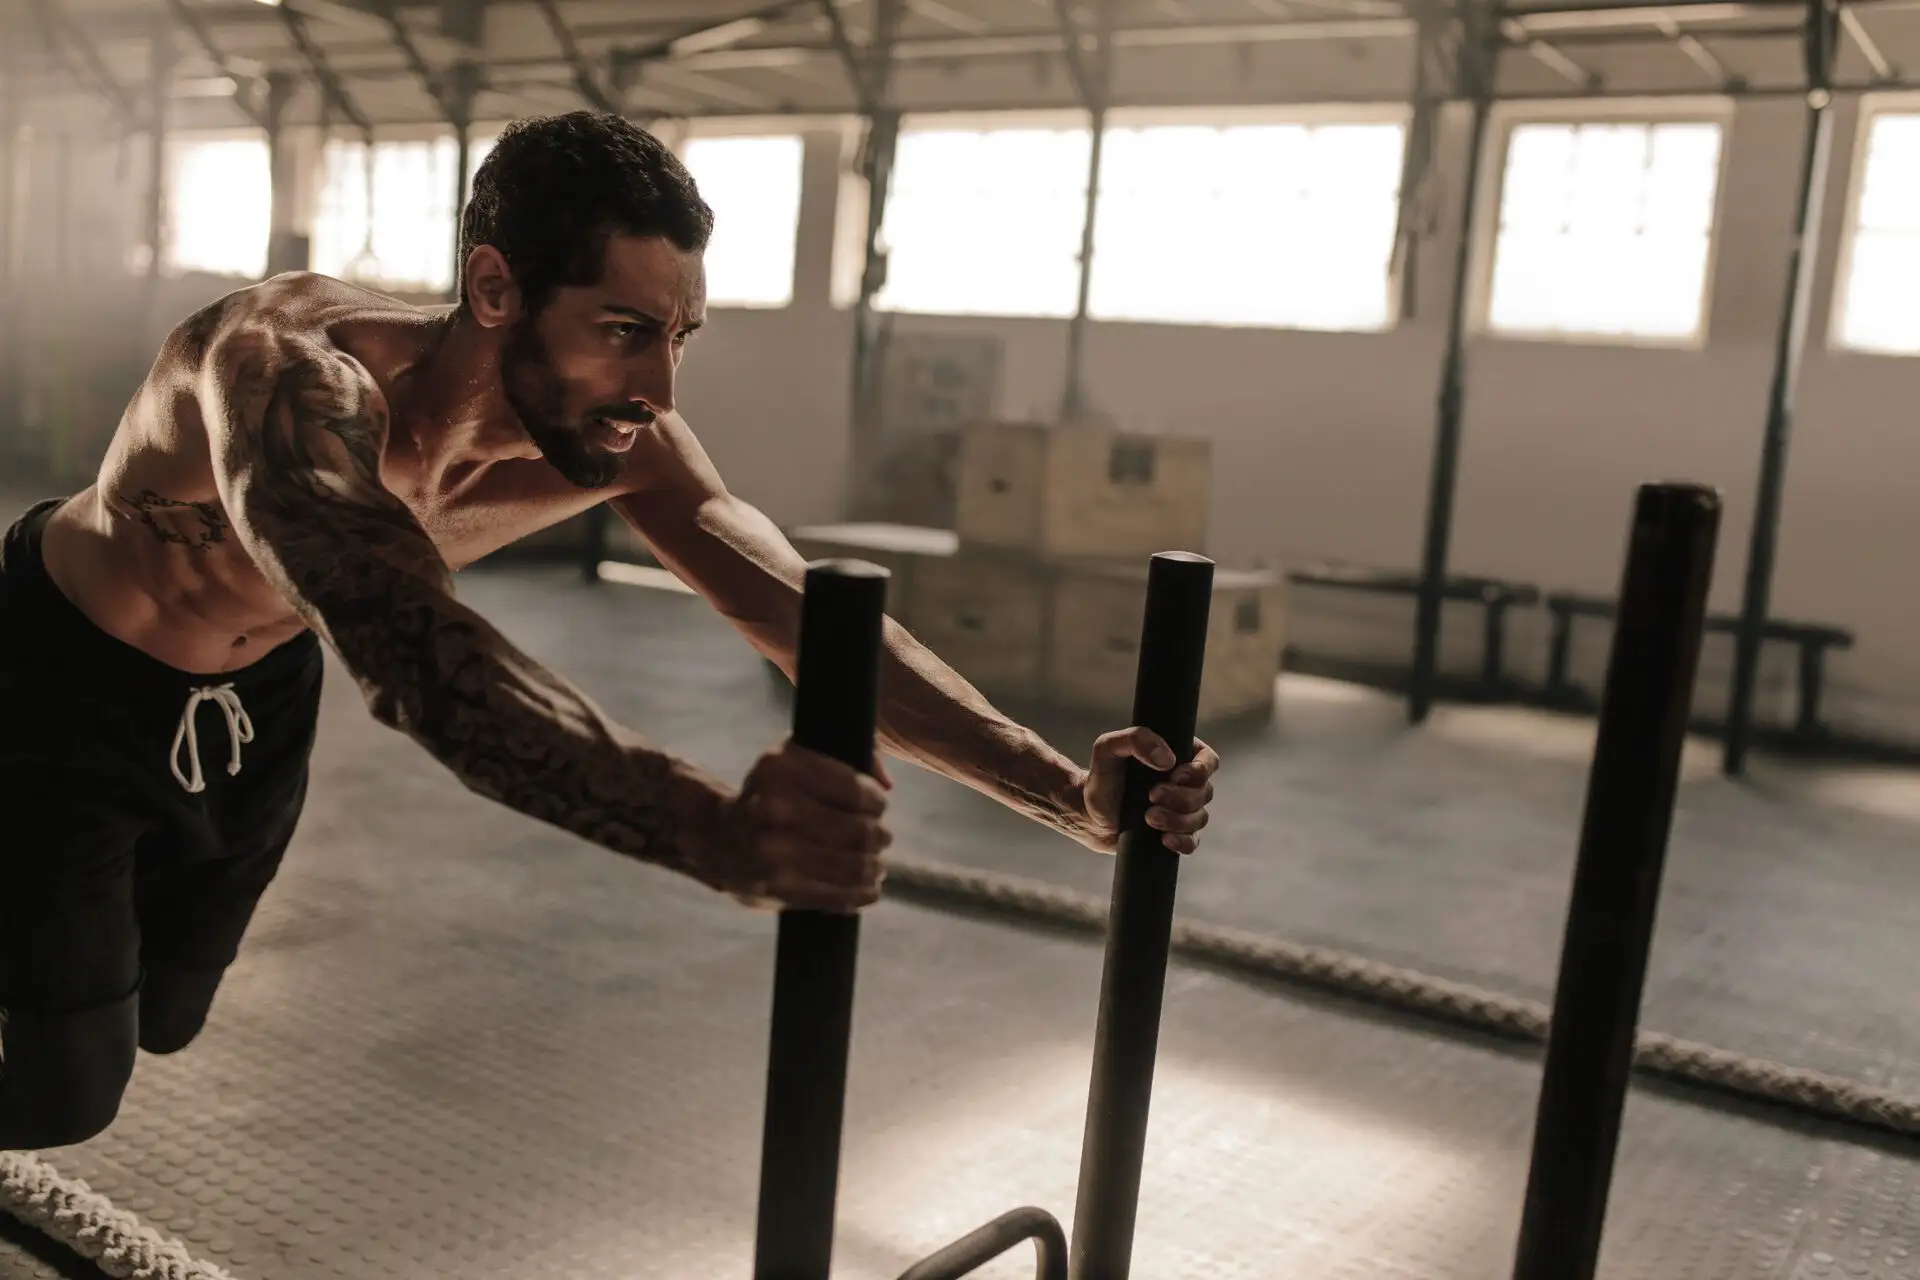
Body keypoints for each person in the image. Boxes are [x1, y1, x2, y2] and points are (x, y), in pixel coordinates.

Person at [0, 111, 1221, 1152]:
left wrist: (1071, 795)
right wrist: (708, 828)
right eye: (625, 330)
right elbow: (412, 646)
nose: (662, 387)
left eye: (679, 335)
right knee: (64, 1090)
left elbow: (802, 614)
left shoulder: (619, 442)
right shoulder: (283, 373)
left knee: (166, 1015)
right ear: (493, 289)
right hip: (64, 677)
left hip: (258, 705)